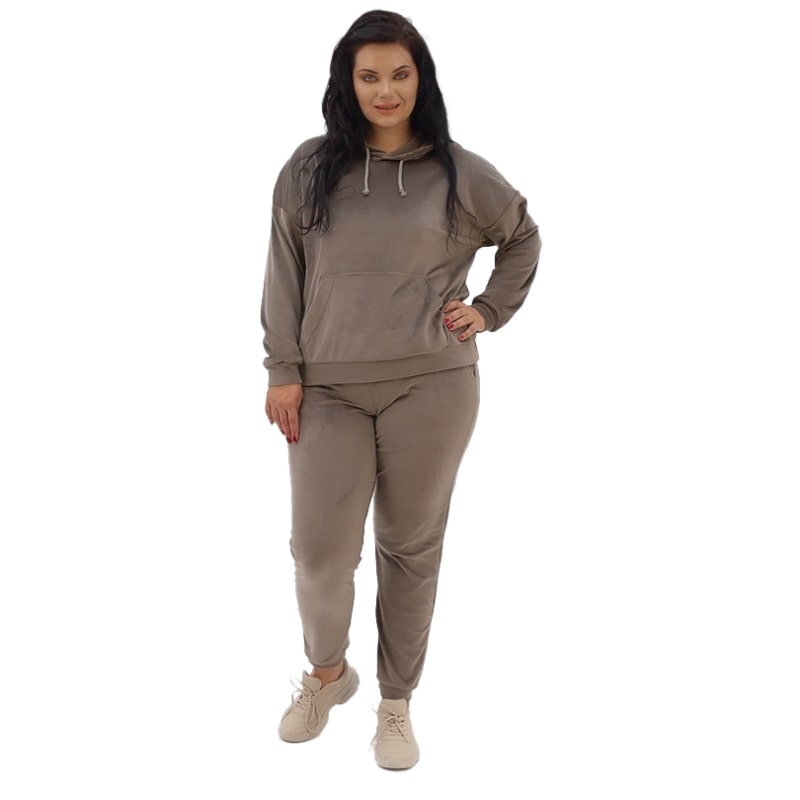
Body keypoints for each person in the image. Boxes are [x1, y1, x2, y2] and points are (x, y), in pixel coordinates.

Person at [261, 9, 541, 770]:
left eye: (400, 74)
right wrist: (283, 369)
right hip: (328, 390)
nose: (386, 90)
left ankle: (395, 702)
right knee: (320, 553)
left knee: (410, 547)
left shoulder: (460, 171)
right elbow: (284, 272)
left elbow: (522, 237)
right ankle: (328, 675)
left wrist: (487, 311)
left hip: (432, 386)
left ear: (422, 79)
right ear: (347, 83)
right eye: (370, 76)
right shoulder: (309, 168)